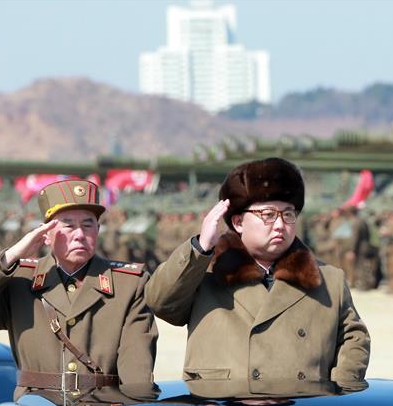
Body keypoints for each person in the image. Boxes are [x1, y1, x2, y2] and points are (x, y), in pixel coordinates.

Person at [145, 157, 369, 387]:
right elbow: (160, 302)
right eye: (268, 214)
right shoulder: (205, 271)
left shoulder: (328, 278)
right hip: (222, 402)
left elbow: (354, 338)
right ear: (238, 222)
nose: (280, 225)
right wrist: (200, 248)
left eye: (288, 214)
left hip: (302, 404)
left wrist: (339, 387)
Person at [0, 179, 157, 392]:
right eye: (68, 225)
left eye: (88, 225)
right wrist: (11, 256)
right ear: (46, 235)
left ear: (98, 230)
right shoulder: (19, 280)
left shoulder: (128, 284)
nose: (79, 235)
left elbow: (137, 369)